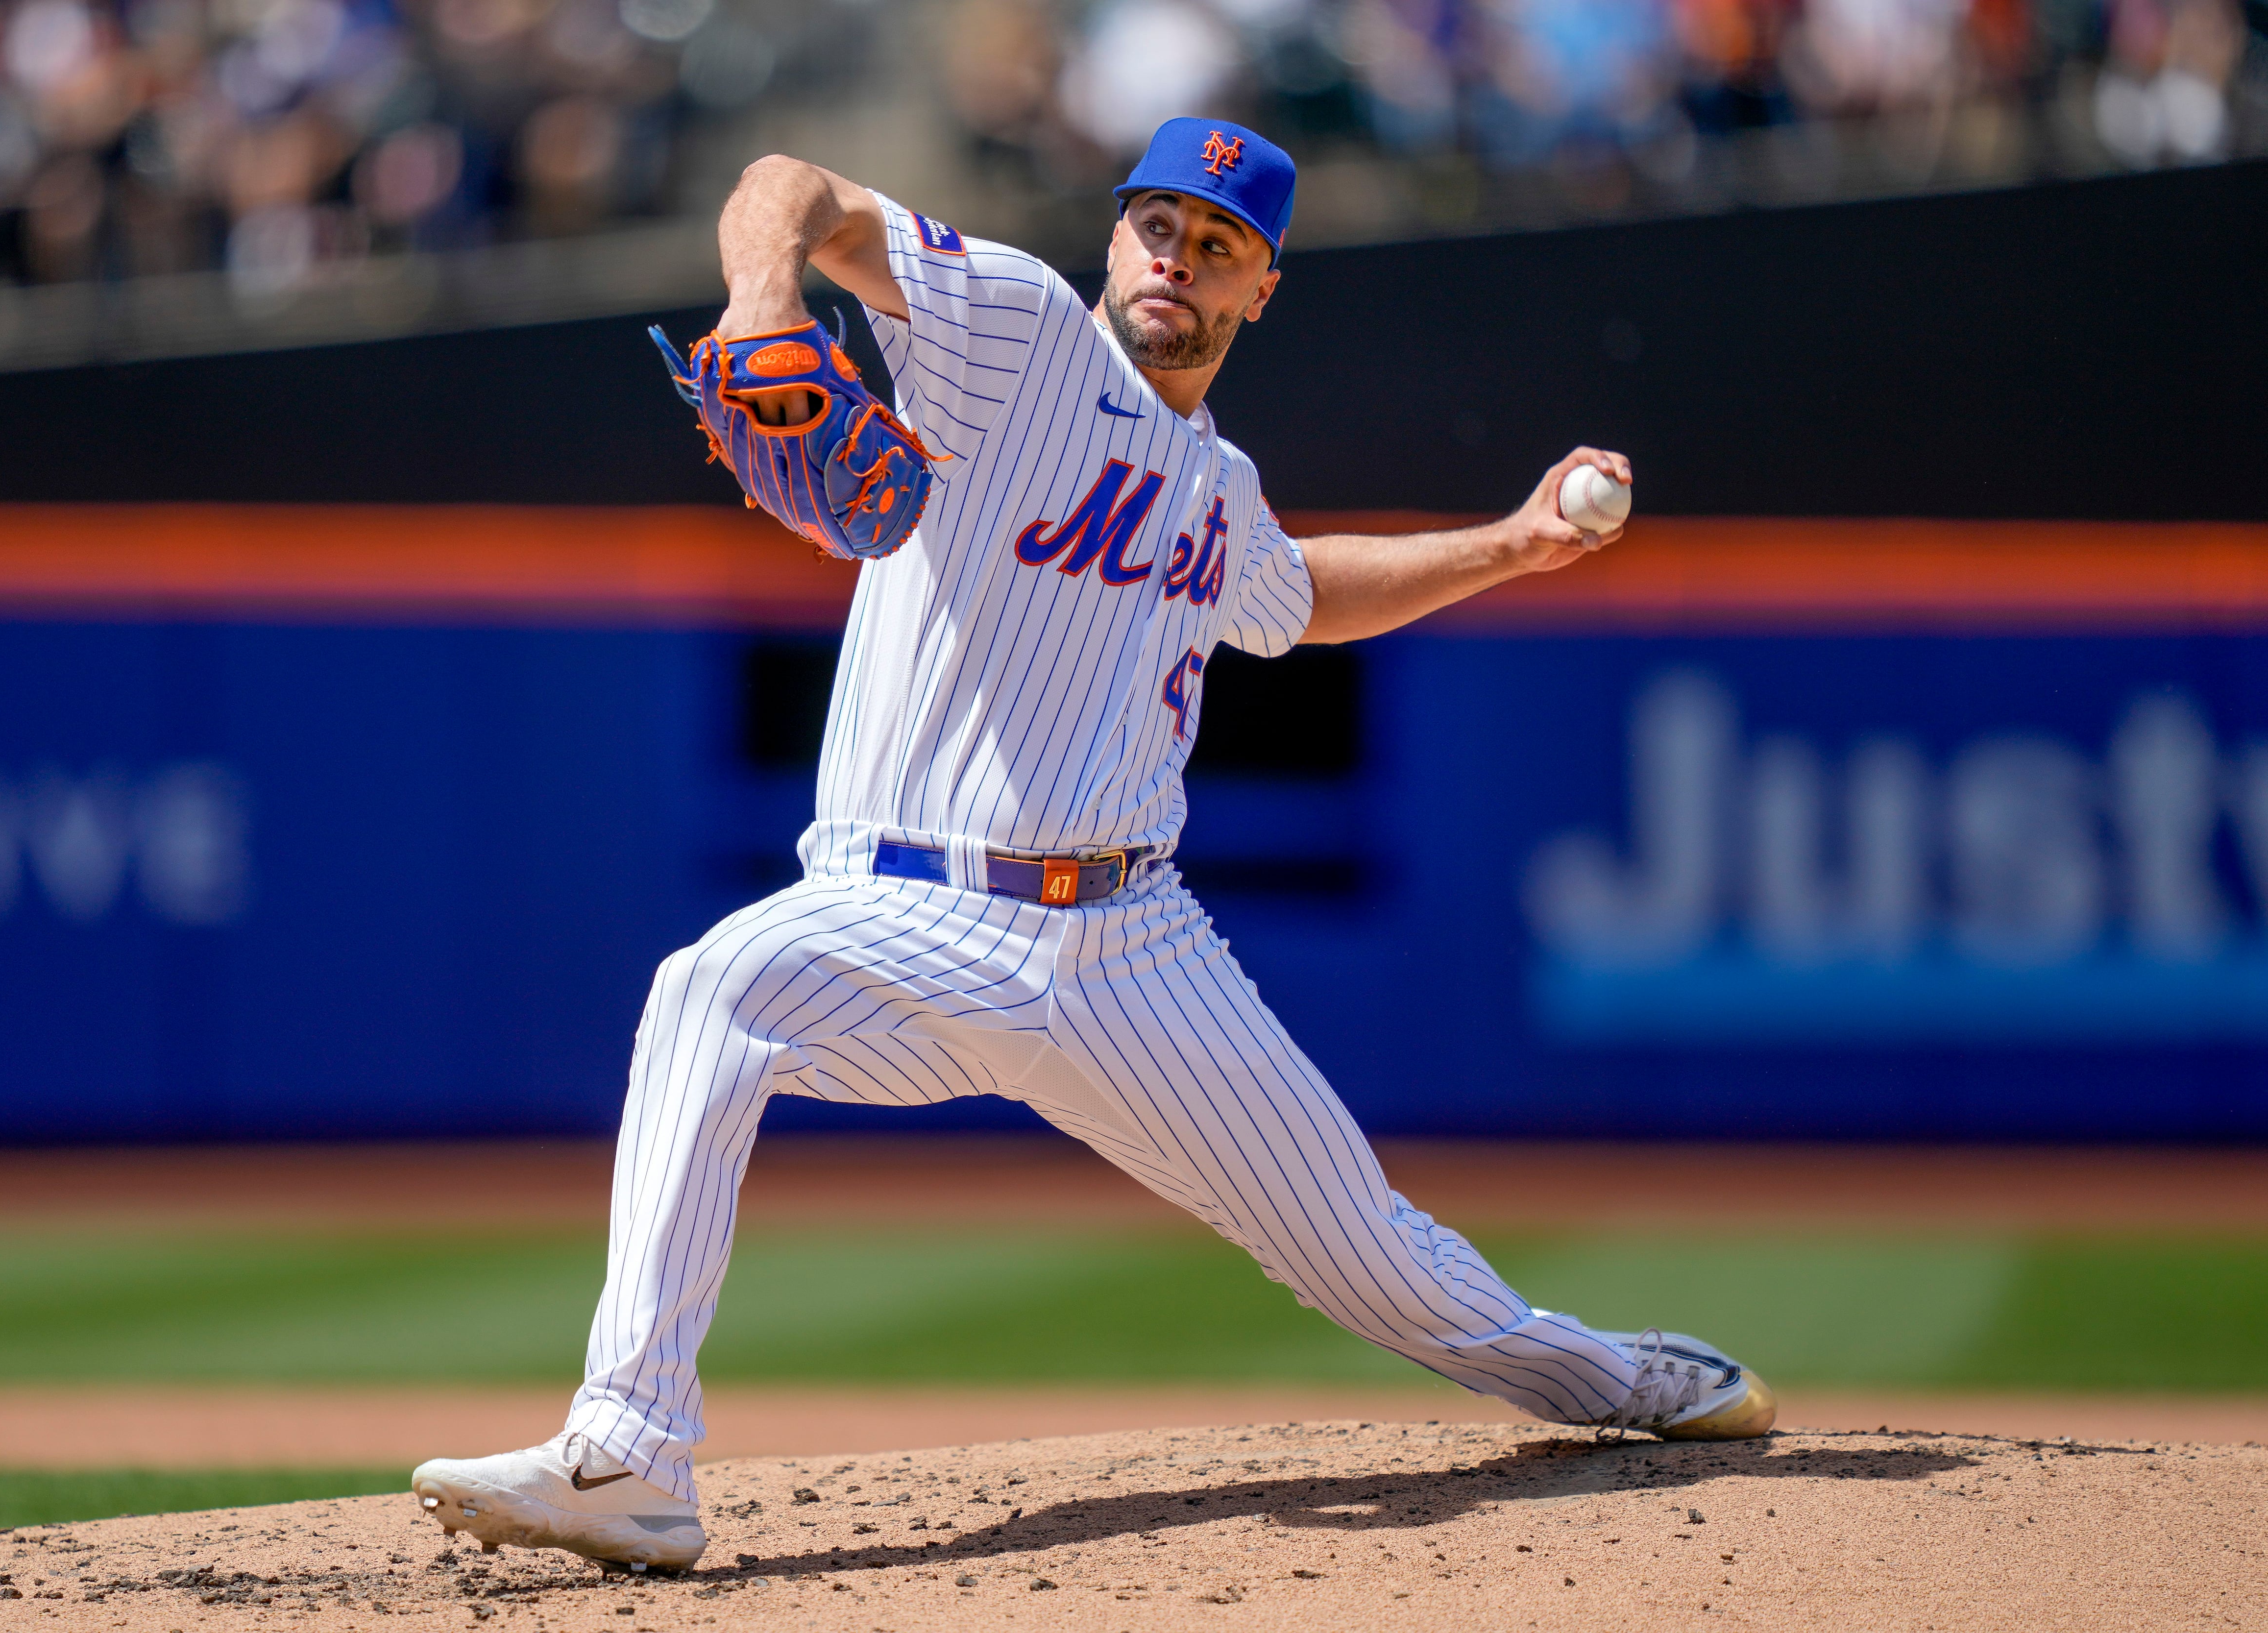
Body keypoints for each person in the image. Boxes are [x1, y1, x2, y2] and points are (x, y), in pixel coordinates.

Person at [411, 116, 1773, 1572]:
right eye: (1158, 226)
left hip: (1136, 949)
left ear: (1263, 288)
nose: (1177, 258)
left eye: (1219, 245)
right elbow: (787, 189)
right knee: (710, 992)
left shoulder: (1216, 481)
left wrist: (1507, 547)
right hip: (907, 910)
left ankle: (1622, 1383)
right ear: (1117, 233)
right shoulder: (1014, 329)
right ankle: (630, 1455)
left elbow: (1295, 593)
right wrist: (763, 300)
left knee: (1372, 1258)